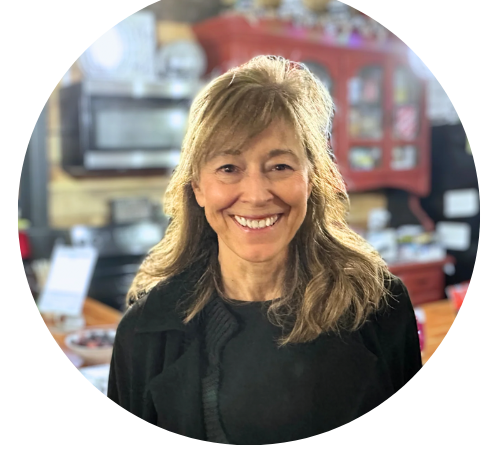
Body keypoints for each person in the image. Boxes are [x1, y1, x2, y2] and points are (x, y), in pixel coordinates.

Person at [107, 55, 422, 444]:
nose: (256, 195)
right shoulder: (143, 334)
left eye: (280, 166)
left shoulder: (380, 306)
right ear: (198, 187)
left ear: (311, 178)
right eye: (229, 168)